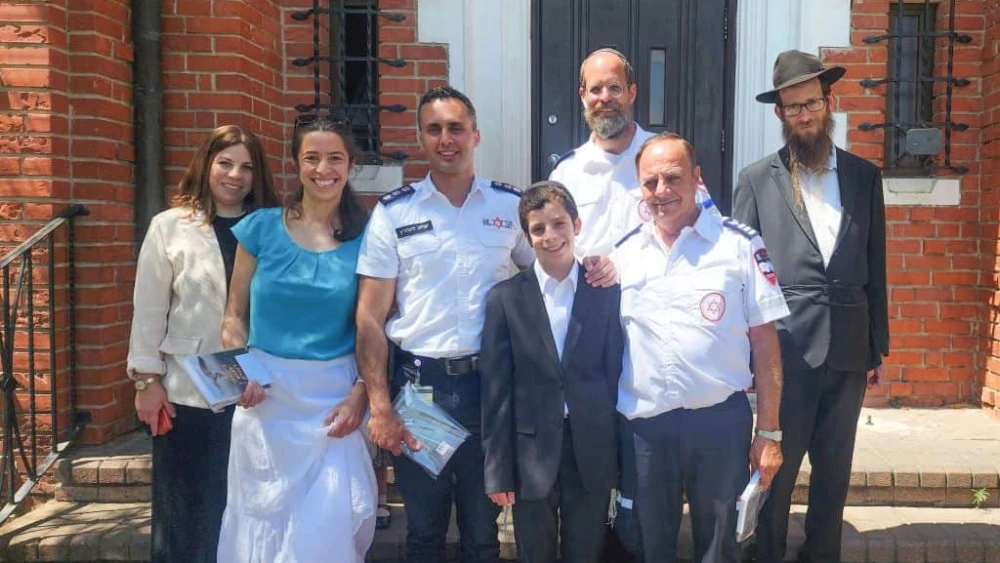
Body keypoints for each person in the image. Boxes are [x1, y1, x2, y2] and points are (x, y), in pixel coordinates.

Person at [356, 85, 617, 563]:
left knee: (483, 531)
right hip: (420, 390)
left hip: (490, 392)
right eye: (434, 129)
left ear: (475, 135)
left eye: (456, 128)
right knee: (424, 529)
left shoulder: (506, 208)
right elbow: (370, 318)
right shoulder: (394, 213)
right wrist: (379, 404)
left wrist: (598, 268)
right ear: (420, 138)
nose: (446, 139)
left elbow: (543, 270)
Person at [732, 50, 889, 563]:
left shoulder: (866, 177)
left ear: (829, 103)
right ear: (779, 113)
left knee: (835, 472)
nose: (804, 114)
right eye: (793, 107)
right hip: (786, 354)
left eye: (812, 104)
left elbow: (875, 264)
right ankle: (768, 554)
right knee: (775, 469)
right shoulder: (756, 178)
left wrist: (876, 348)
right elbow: (742, 274)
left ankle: (822, 554)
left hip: (847, 348)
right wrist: (746, 359)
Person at [615, 133, 787, 563]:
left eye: (672, 178)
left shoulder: (739, 245)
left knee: (720, 549)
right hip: (646, 431)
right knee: (650, 547)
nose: (661, 191)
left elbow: (766, 346)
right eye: (650, 182)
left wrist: (768, 433)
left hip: (718, 426)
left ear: (697, 178)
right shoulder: (623, 254)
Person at [216, 116, 376, 562]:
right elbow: (233, 316)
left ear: (350, 165)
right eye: (312, 158)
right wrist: (237, 375)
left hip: (333, 404)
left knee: (324, 530)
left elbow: (373, 327)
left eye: (335, 158)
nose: (323, 169)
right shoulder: (261, 228)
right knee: (259, 523)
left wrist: (361, 393)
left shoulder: (369, 236)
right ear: (295, 163)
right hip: (265, 399)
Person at [127, 124, 279, 563]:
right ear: (206, 164)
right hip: (186, 391)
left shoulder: (271, 227)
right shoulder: (170, 227)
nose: (235, 175)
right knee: (184, 512)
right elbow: (150, 308)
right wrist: (145, 381)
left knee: (241, 509)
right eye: (225, 163)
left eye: (247, 167)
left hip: (257, 392)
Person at [480, 181, 624, 563]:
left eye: (559, 223)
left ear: (576, 225)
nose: (550, 236)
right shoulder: (506, 299)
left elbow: (615, 376)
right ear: (527, 237)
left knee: (586, 550)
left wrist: (618, 457)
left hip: (590, 450)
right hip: (531, 454)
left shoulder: (605, 292)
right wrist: (498, 470)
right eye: (538, 229)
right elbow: (496, 391)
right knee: (535, 552)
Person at [548, 47, 655, 257]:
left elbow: (698, 223)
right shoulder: (566, 172)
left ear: (631, 93)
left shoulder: (666, 157)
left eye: (615, 88)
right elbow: (556, 246)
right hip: (590, 288)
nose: (605, 98)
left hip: (653, 287)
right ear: (583, 96)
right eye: (596, 89)